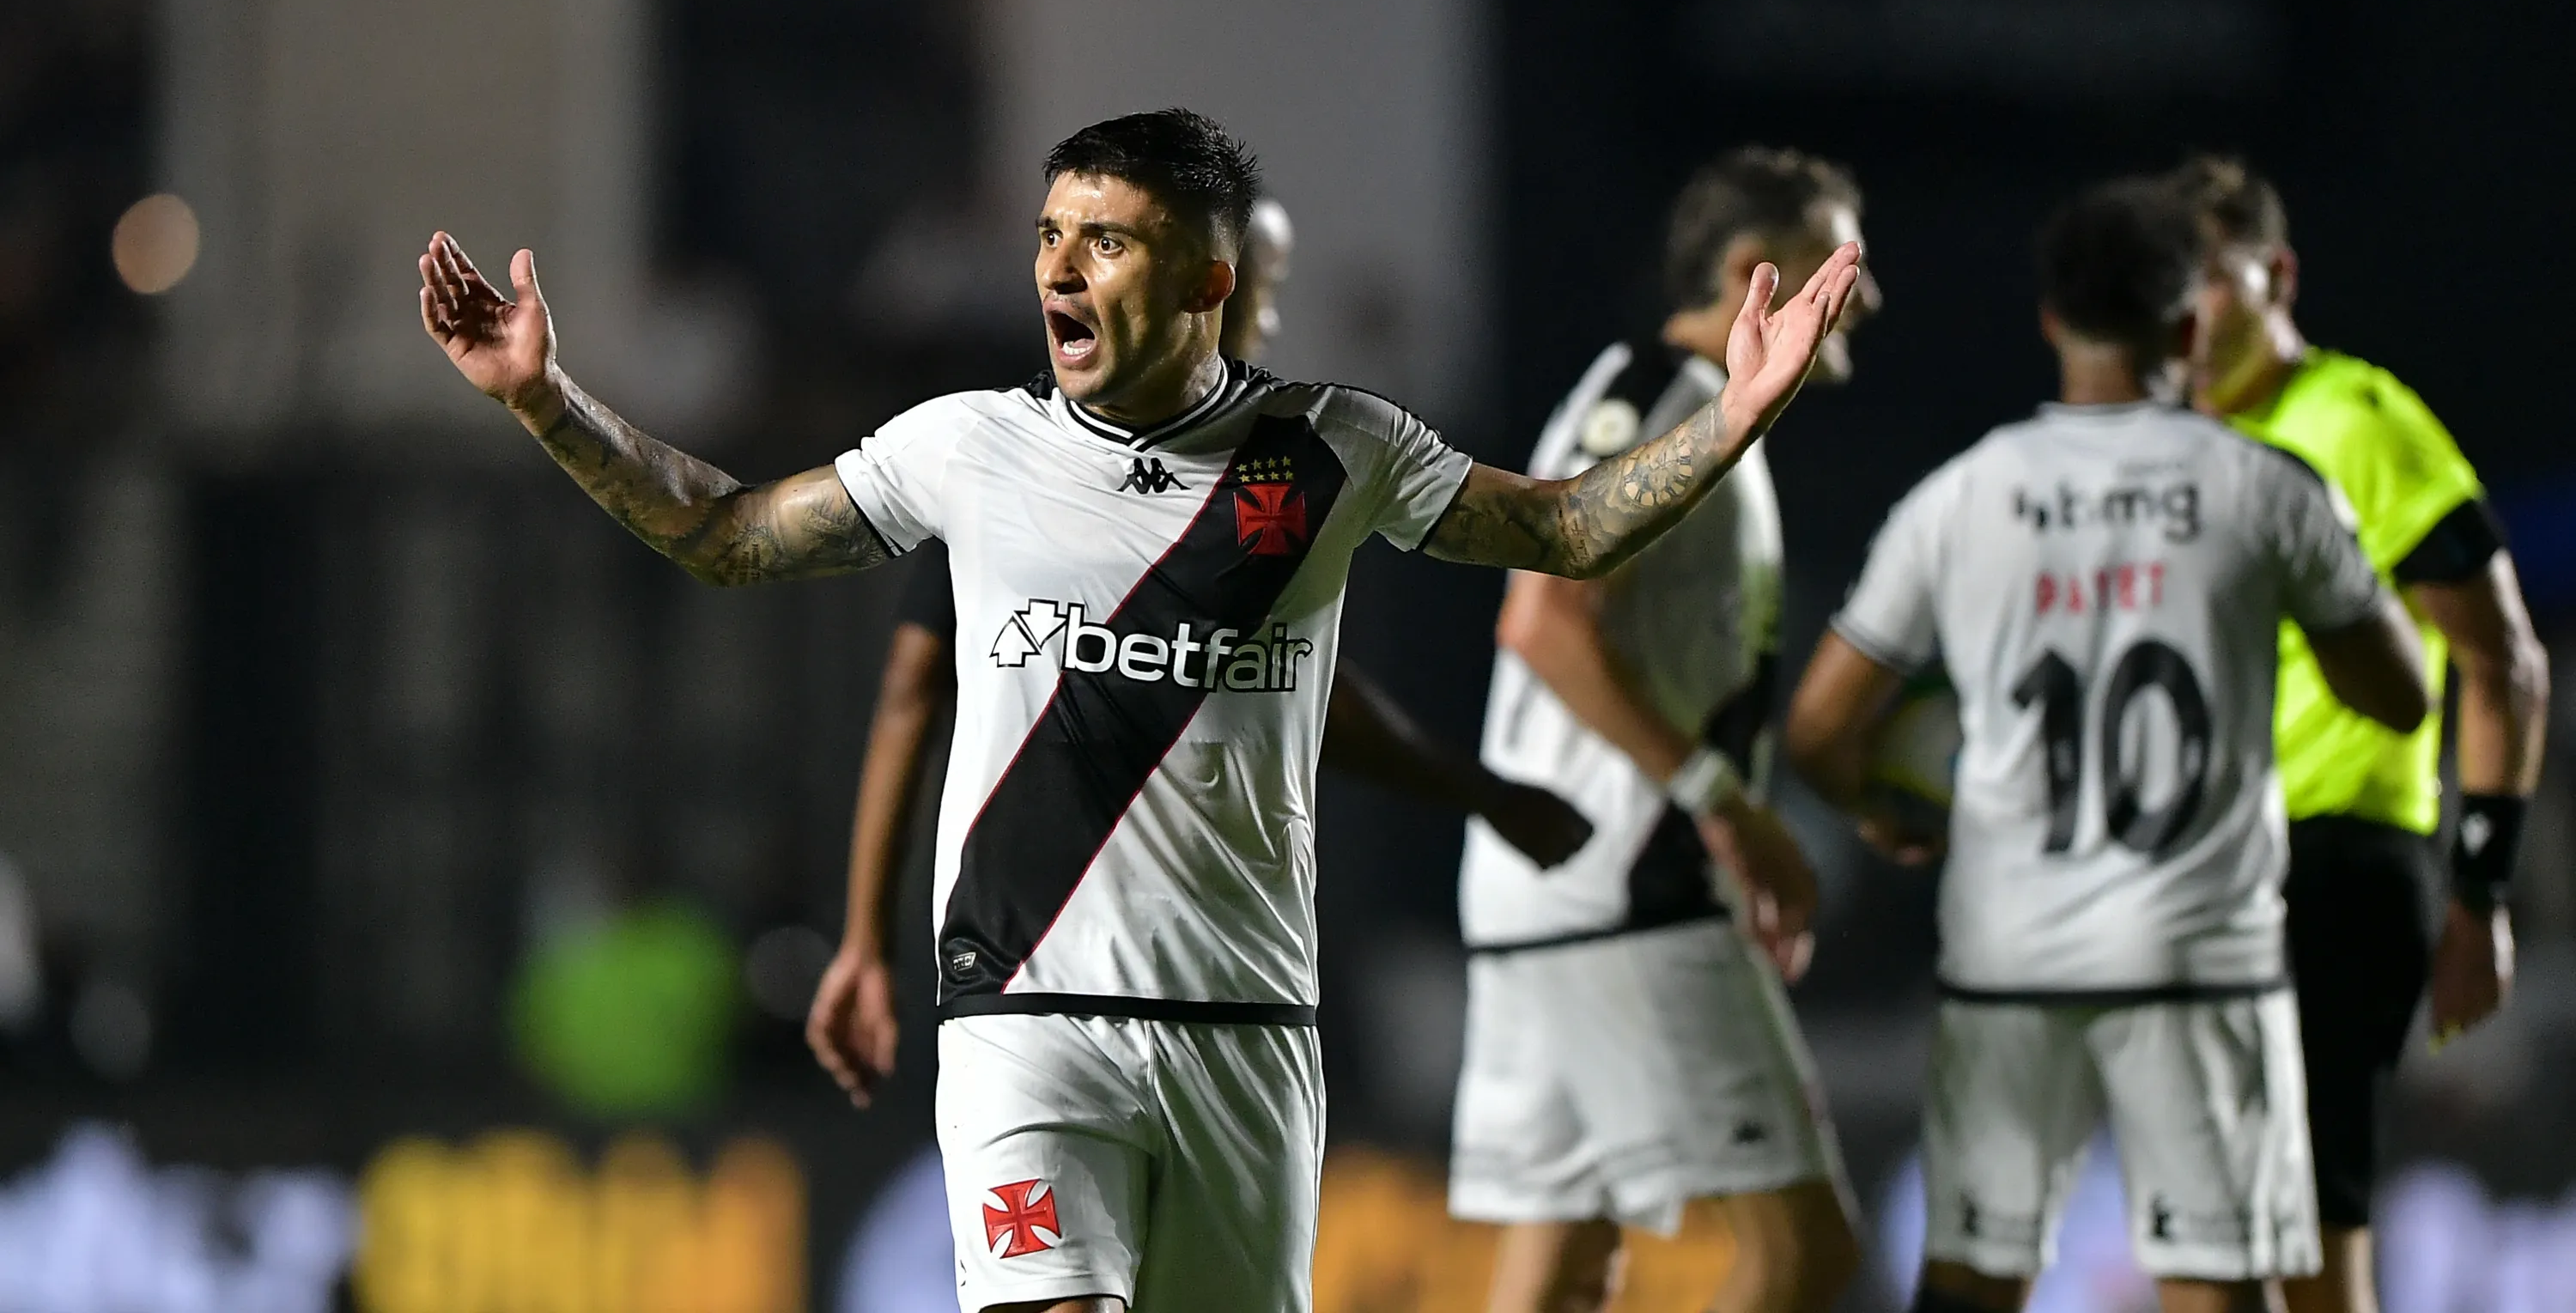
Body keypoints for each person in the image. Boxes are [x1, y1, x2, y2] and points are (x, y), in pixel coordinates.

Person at [419, 107, 1863, 1313]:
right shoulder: (966, 449)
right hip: (1026, 1016)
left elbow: (1567, 533)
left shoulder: (1330, 453)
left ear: (1203, 284)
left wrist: (1731, 420)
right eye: (1050, 235)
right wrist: (548, 402)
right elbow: (726, 533)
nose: (1058, 268)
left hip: (1243, 1028)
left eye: (1103, 239)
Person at [814, 197, 1596, 1139]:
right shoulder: (1025, 458)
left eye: (1265, 289)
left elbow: (1321, 698)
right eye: (1251, 285)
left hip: (1212, 948)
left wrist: (1482, 793)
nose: (1259, 315)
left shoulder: (1269, 465)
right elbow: (912, 689)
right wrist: (866, 935)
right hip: (1073, 954)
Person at [1782, 179, 2430, 1313]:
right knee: (2215, 1288)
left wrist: (1886, 808)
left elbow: (1823, 726)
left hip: (2012, 963)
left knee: (1971, 1282)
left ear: (2051, 323)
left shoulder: (1962, 498)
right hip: (2200, 965)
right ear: (2190, 326)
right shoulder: (2269, 491)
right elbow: (2403, 695)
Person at [1447, 148, 1879, 1313]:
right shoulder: (1668, 398)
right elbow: (1543, 623)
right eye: (1838, 257)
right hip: (1625, 884)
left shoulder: (1656, 399)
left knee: (1568, 1270)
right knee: (1805, 1250)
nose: (1865, 294)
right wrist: (1724, 804)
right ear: (1752, 273)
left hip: (1549, 888)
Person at [2167, 155, 2549, 1313]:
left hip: (2331, 862)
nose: (2186, 314)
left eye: (2213, 280)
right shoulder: (2156, 450)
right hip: (2197, 871)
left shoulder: (2359, 422)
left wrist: (2480, 897)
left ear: (2277, 275)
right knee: (2203, 1235)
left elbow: (2503, 661)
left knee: (2304, 1238)